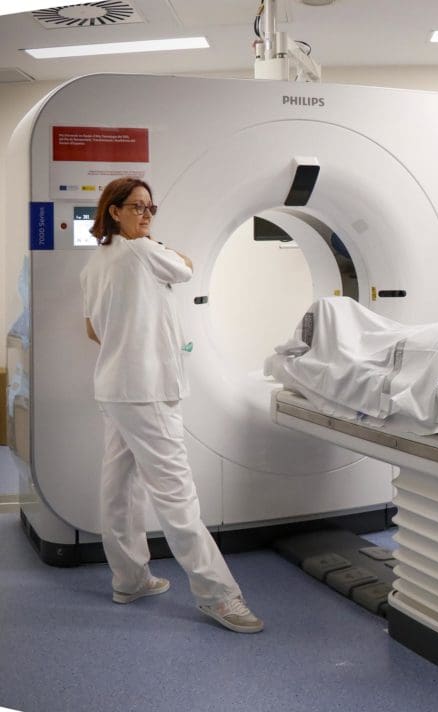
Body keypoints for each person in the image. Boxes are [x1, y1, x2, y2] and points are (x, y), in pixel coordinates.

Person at [80, 177, 263, 634]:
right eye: (136, 207)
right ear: (114, 211)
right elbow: (186, 268)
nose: (146, 215)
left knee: (119, 490)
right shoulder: (144, 251)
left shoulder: (95, 263)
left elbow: (92, 330)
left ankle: (130, 580)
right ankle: (218, 595)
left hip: (114, 389)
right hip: (147, 392)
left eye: (150, 207)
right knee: (177, 495)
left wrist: (128, 343)